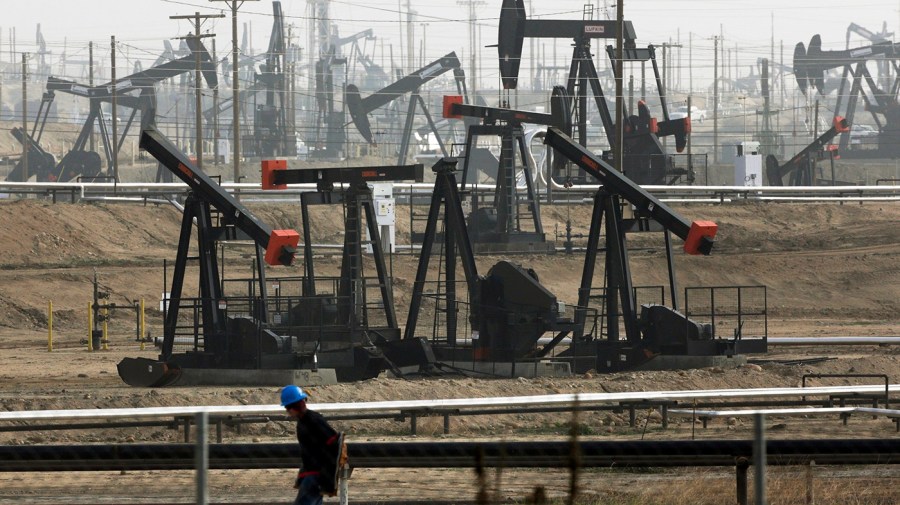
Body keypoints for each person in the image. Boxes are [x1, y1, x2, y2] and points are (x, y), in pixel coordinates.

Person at [281, 385, 343, 505]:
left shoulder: (312, 420)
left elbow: (334, 444)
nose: (287, 411)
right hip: (314, 475)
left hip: (314, 476)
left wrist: (326, 473)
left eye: (287, 407)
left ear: (293, 407)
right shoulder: (305, 421)